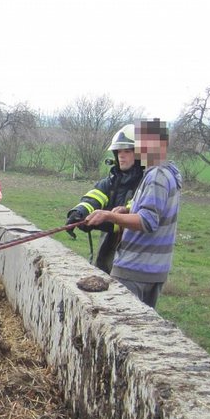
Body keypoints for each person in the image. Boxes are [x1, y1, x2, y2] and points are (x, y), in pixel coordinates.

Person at [85, 119, 181, 308]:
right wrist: (129, 210)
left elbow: (148, 221)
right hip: (153, 268)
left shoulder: (157, 176)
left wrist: (109, 216)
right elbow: (155, 210)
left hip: (136, 269)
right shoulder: (167, 173)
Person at [65, 123, 145, 273]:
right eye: (118, 151)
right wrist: (79, 213)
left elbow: (128, 217)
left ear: (140, 155)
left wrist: (99, 222)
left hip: (134, 259)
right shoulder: (113, 180)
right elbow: (95, 197)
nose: (121, 155)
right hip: (109, 253)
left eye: (127, 151)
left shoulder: (145, 184)